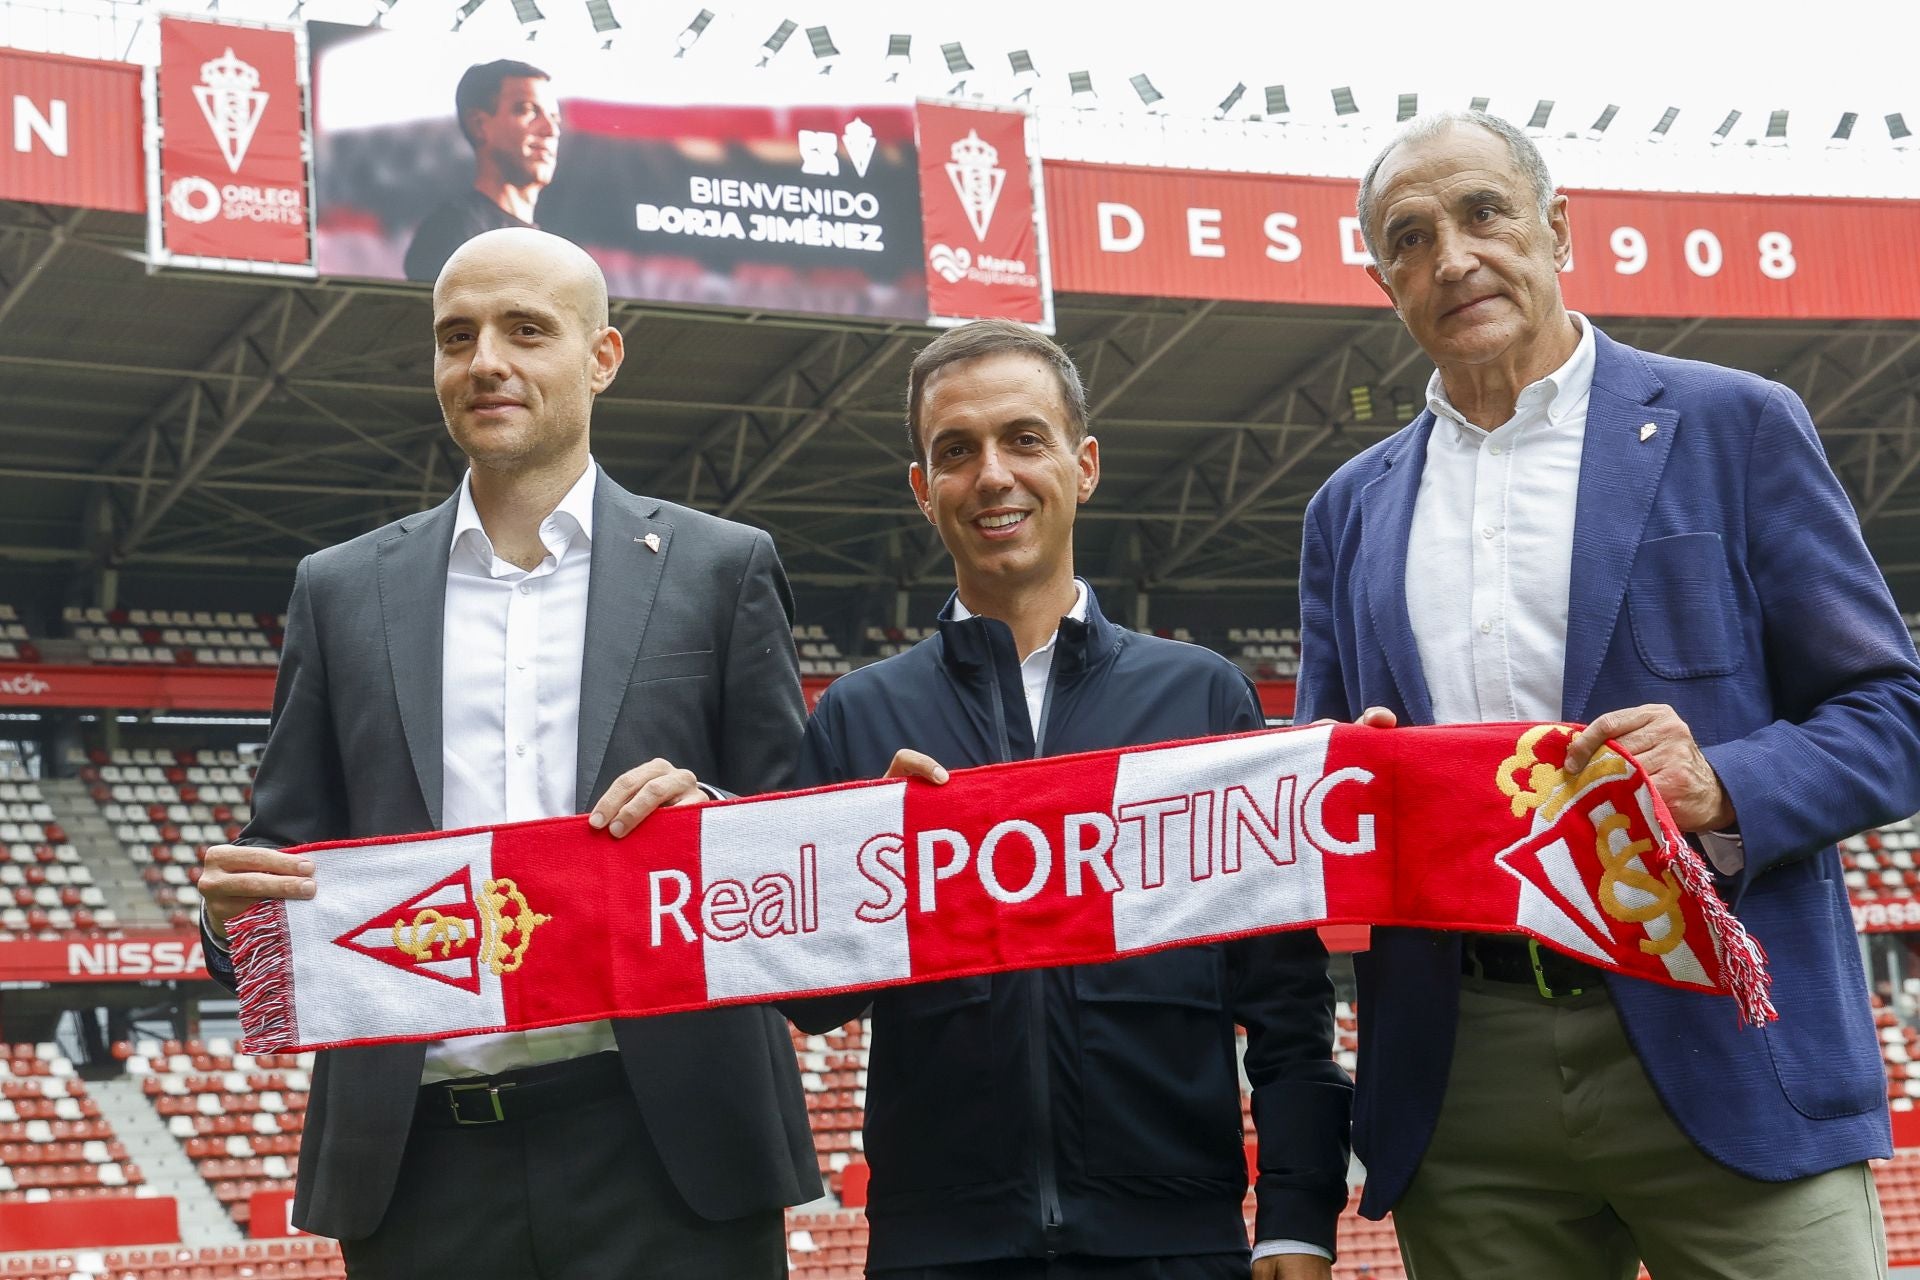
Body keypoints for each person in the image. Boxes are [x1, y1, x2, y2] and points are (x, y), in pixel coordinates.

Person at [1296, 109, 1920, 1278]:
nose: (1454, 256)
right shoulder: (1351, 506)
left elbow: (1893, 711)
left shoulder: (1736, 424)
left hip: (1731, 1034)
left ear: (1558, 228)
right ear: (1383, 277)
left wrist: (1723, 779)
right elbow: (1325, 766)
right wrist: (1347, 766)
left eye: (1484, 213)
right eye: (1411, 236)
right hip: (1465, 1074)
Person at [197, 228, 819, 1278]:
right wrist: (232, 924)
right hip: (421, 1162)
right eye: (457, 335)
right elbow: (280, 866)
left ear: (602, 356)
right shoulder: (341, 590)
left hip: (673, 1150)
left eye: (526, 329)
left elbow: (798, 843)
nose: (485, 359)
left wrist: (710, 808)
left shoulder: (723, 567)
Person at [791, 320, 1353, 1279]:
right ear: (924, 491)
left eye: (1024, 438)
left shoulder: (1202, 696)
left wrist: (1298, 1213)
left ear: (1083, 464)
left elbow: (1284, 991)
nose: (993, 475)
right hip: (942, 1250)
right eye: (956, 452)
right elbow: (814, 1001)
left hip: (1176, 1243)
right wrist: (864, 866)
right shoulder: (860, 713)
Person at [403, 60, 561, 283]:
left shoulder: (551, 250)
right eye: (528, 110)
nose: (551, 130)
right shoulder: (453, 230)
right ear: (479, 125)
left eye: (555, 118)